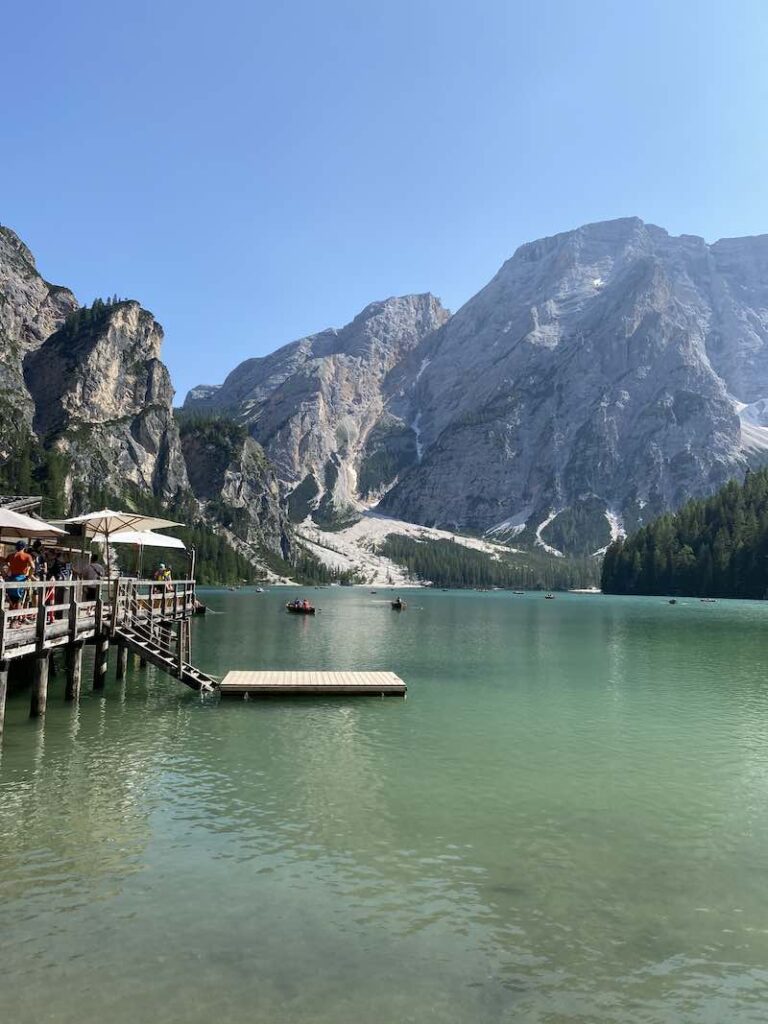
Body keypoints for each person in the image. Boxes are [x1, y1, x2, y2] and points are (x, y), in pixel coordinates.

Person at [3, 541, 36, 612]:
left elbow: (3, 563)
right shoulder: (27, 556)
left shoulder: (11, 555)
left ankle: (11, 617)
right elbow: (33, 567)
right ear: (24, 547)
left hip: (11, 578)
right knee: (18, 600)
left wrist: (5, 574)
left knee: (12, 599)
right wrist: (29, 577)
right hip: (21, 578)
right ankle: (15, 619)